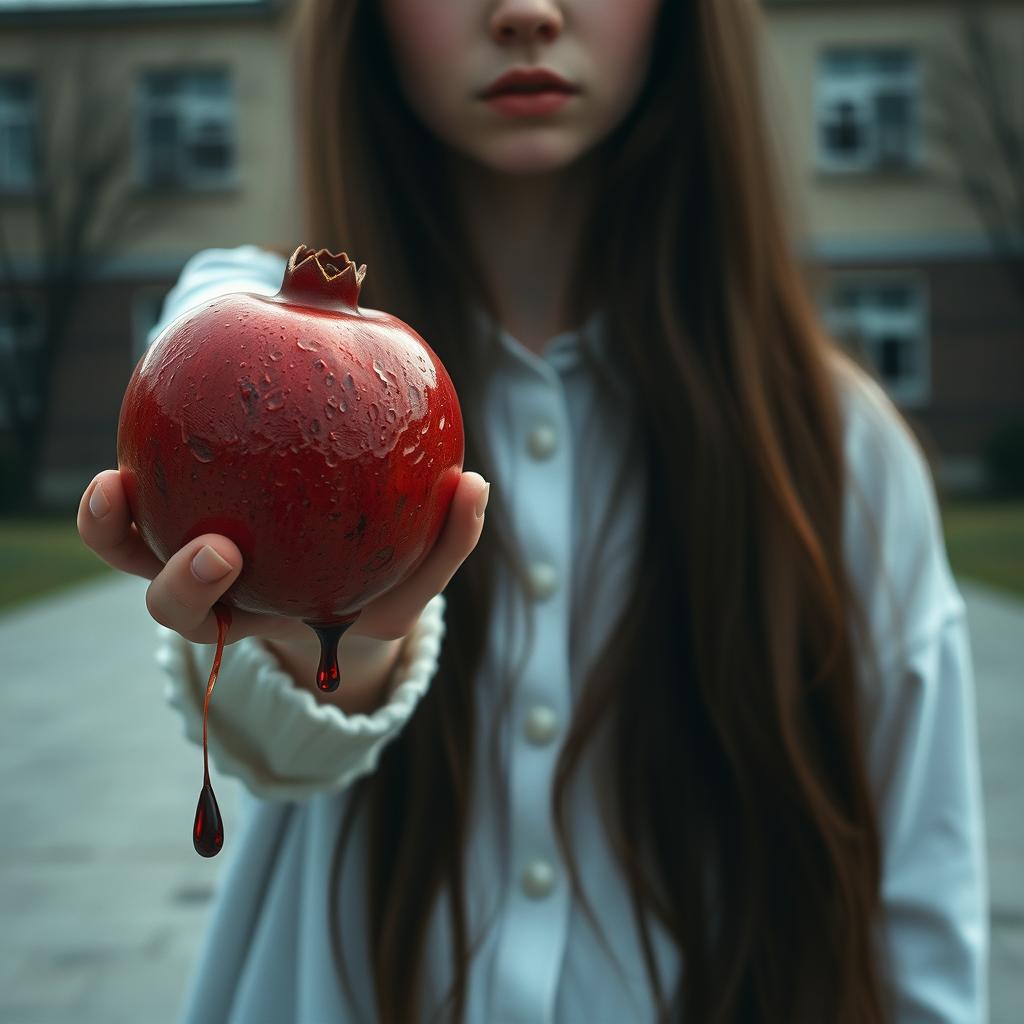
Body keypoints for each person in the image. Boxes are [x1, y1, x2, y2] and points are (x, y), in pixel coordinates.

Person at [77, 0, 988, 1021]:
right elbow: (279, 756)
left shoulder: (838, 451)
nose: (525, 12)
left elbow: (921, 911)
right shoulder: (250, 354)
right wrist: (325, 639)